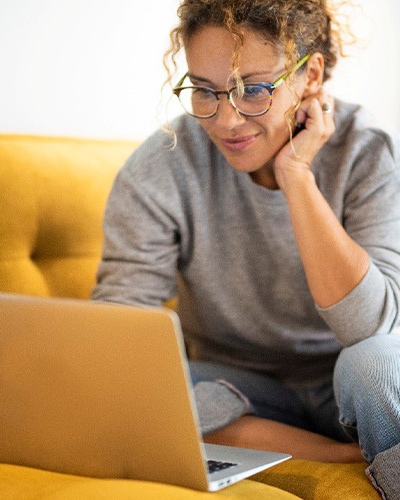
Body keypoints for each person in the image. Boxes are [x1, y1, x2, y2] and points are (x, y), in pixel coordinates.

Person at [92, 0, 400, 467]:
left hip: (347, 379)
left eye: (253, 89)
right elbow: (121, 324)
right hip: (236, 388)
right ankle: (344, 458)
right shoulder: (161, 167)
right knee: (137, 389)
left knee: (377, 364)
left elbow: (371, 327)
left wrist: (296, 175)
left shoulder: (365, 150)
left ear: (311, 75)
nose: (226, 120)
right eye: (203, 90)